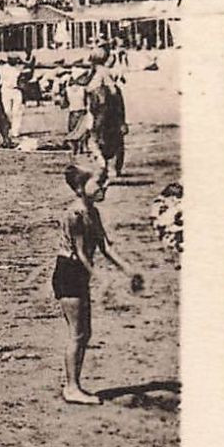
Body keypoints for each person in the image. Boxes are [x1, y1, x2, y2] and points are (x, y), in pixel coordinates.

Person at [53, 161, 142, 404]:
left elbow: (104, 246)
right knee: (77, 333)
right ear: (81, 187)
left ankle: (75, 384)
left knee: (84, 332)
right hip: (70, 272)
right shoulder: (76, 214)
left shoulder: (92, 211)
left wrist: (128, 269)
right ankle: (71, 387)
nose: (105, 186)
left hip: (78, 272)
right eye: (99, 182)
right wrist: (101, 279)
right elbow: (81, 253)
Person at [85, 48, 128, 177]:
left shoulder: (98, 73)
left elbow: (111, 92)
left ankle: (105, 166)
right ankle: (110, 167)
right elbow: (114, 92)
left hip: (101, 109)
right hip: (105, 108)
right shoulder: (101, 72)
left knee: (98, 139)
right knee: (110, 139)